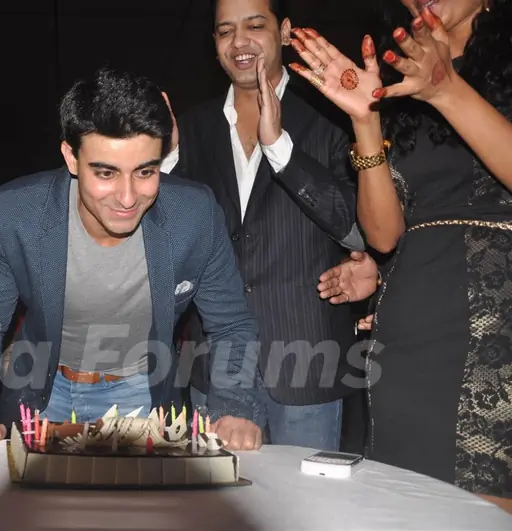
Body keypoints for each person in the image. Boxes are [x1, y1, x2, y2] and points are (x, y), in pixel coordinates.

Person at [0, 68, 263, 450]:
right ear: (71, 158)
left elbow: (231, 325)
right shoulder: (15, 213)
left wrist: (235, 408)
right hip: (43, 390)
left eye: (145, 171)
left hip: (143, 393)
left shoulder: (194, 215)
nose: (127, 197)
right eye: (106, 173)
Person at [290, 0, 512, 509]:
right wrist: (365, 121)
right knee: (405, 503)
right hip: (411, 318)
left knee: (482, 506)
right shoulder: (403, 74)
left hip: (495, 322)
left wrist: (448, 90)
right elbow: (384, 234)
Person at [161, 0, 364, 451]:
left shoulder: (332, 117)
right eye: (224, 31)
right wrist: (167, 168)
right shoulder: (190, 128)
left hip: (307, 364)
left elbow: (358, 230)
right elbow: (167, 242)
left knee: (303, 515)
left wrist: (281, 151)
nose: (240, 42)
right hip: (214, 366)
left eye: (255, 25)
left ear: (285, 31)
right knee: (217, 515)